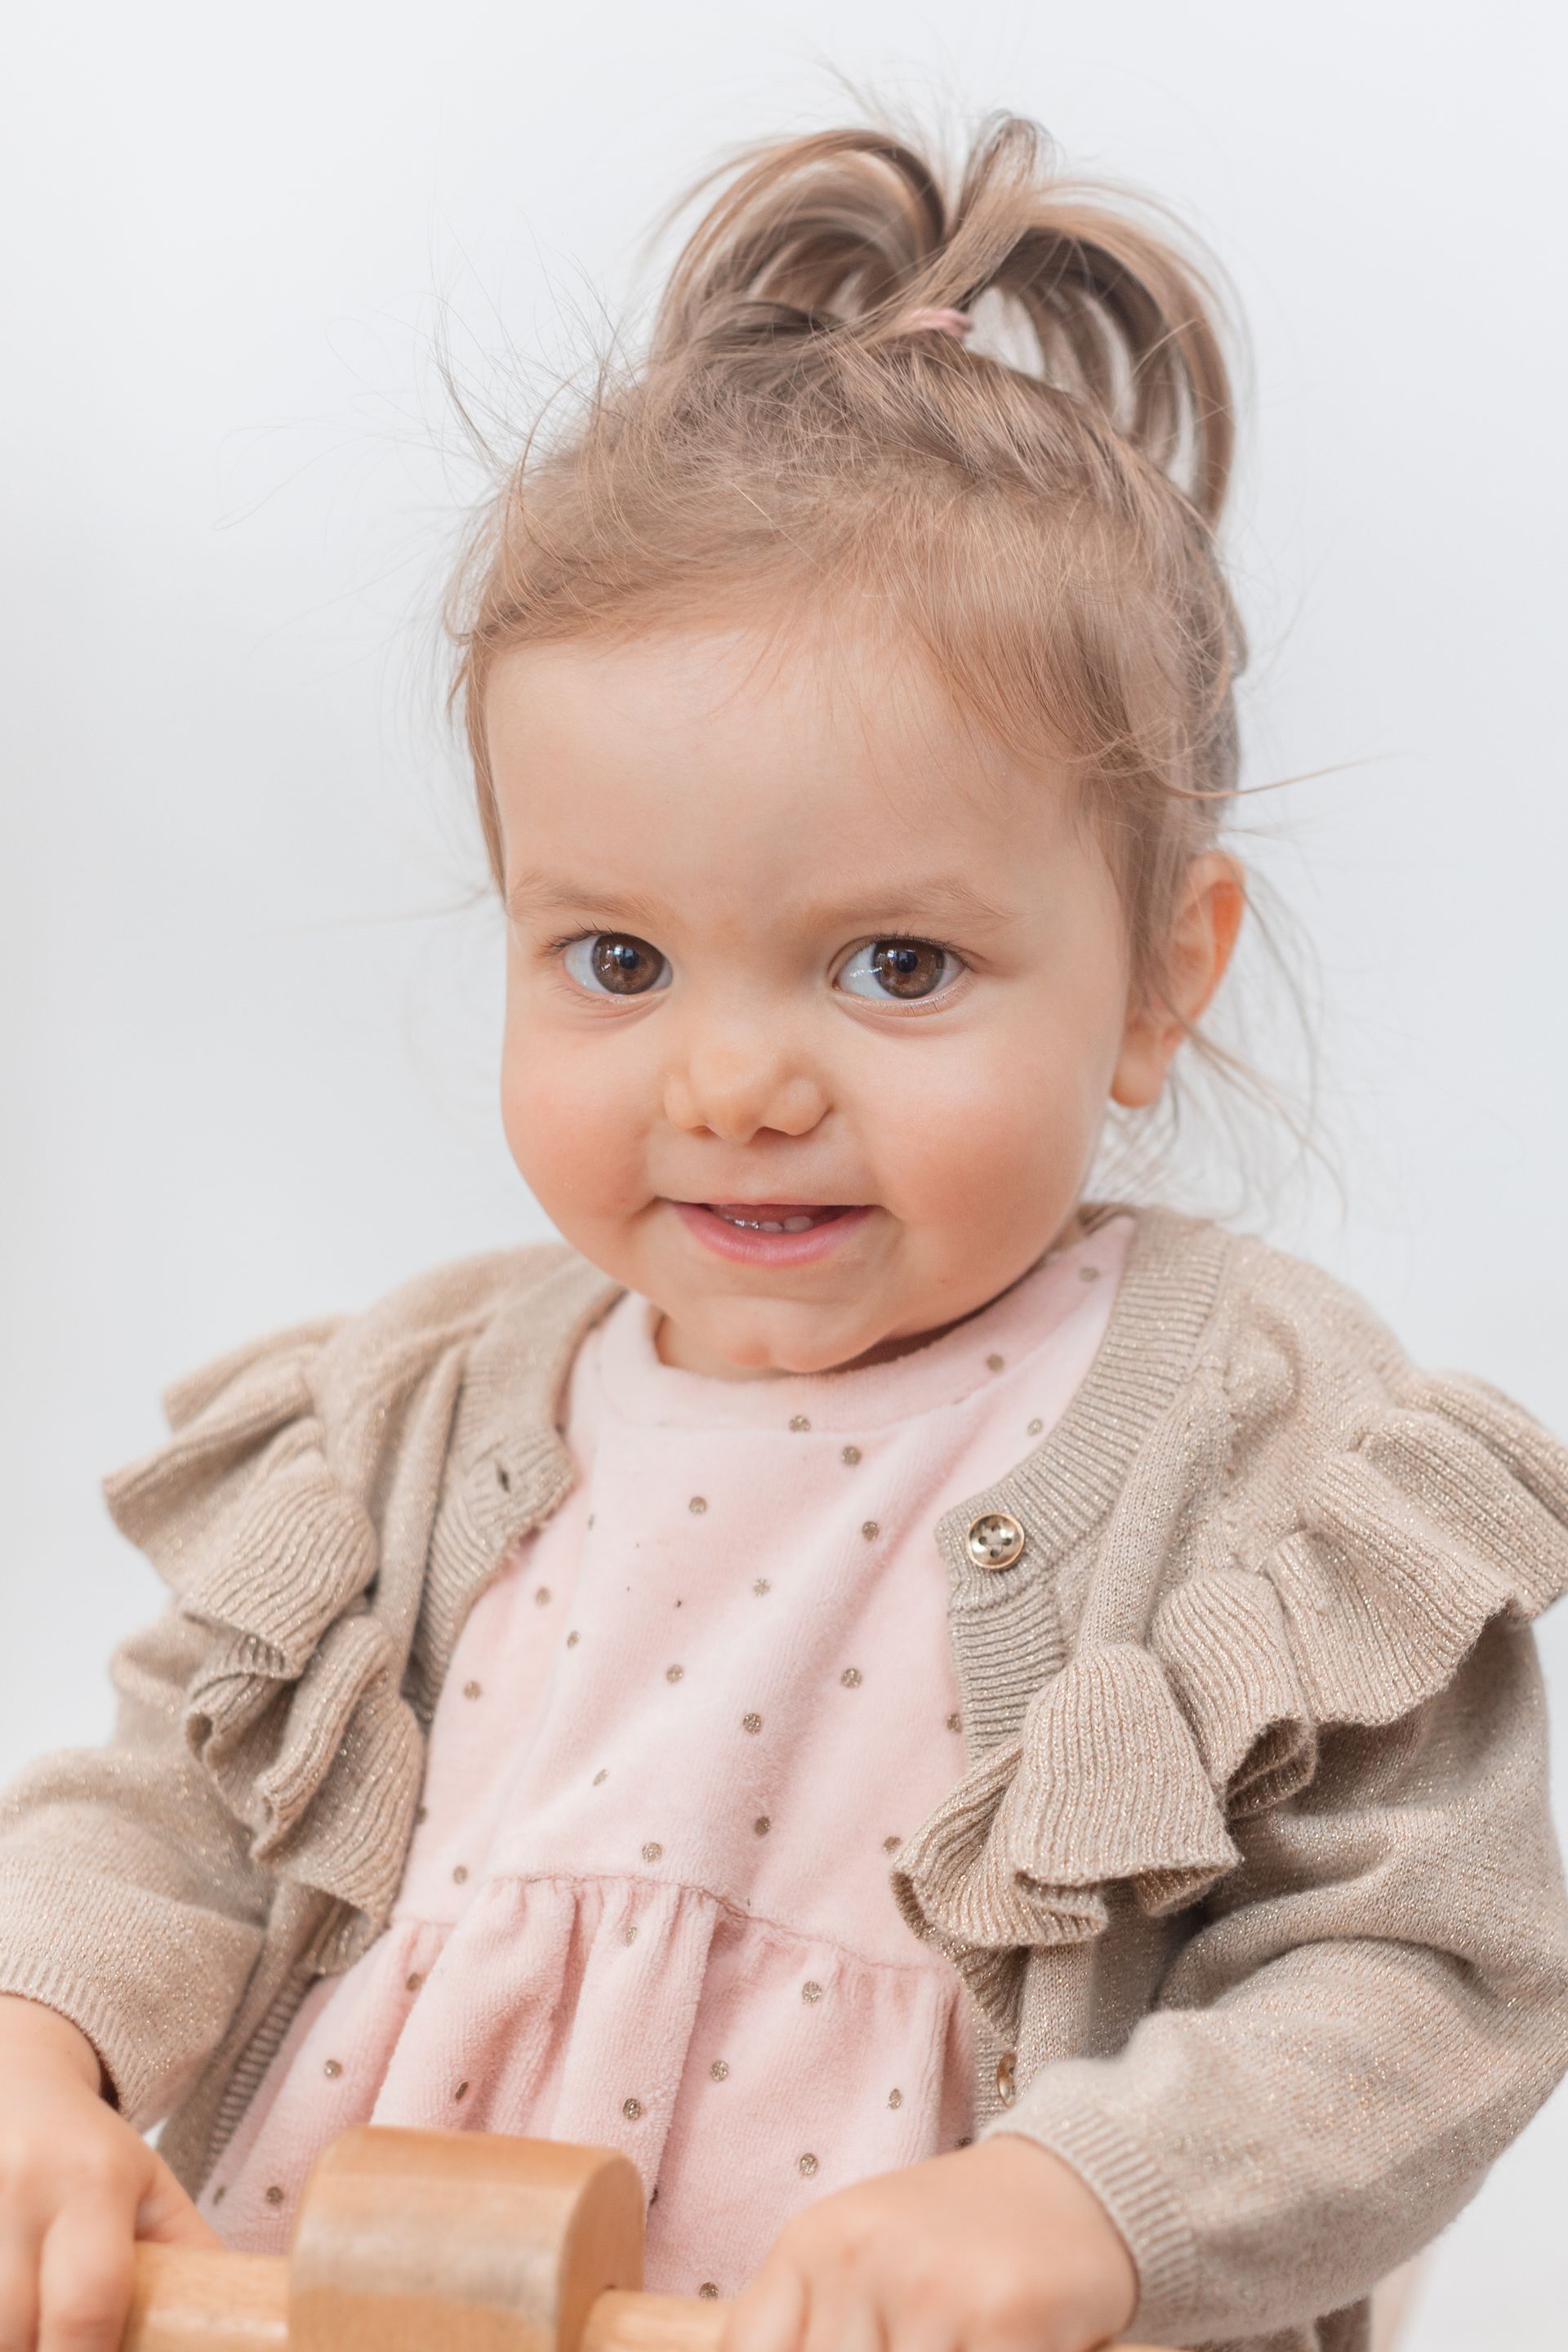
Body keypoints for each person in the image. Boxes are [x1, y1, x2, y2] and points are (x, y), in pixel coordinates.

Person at [1, 112, 1566, 2352]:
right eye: (619, 963)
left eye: (895, 966)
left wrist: (1072, 2207)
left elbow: (1427, 1972)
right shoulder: (411, 1421)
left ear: (1157, 978)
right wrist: (37, 2049)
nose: (734, 1084)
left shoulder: (1257, 1445)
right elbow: (167, 1810)